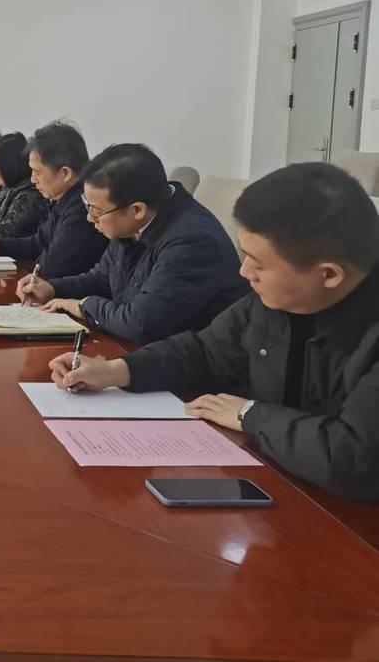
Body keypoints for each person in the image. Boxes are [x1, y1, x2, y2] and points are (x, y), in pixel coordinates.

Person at [49, 163, 379, 502]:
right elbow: (205, 351)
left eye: (257, 263)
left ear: (329, 275)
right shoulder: (276, 299)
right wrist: (116, 371)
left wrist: (249, 415)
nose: (244, 271)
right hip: (278, 479)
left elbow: (352, 458)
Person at [17, 143, 247, 344]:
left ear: (137, 210)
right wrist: (53, 289)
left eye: (95, 211)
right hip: (146, 350)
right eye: (87, 206)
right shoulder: (135, 220)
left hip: (190, 368)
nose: (88, 218)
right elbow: (102, 278)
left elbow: (141, 323)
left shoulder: (191, 241)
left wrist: (82, 305)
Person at [0, 122, 107, 277]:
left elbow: (52, 264)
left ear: (65, 173)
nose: (33, 179)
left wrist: (39, 260)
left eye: (37, 172)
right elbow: (38, 242)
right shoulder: (63, 200)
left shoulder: (83, 208)